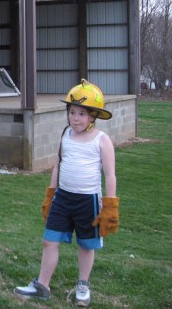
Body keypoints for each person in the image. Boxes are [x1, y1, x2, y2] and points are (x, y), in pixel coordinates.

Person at [14, 79, 119, 308]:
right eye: (72, 112)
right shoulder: (66, 135)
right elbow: (58, 166)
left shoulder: (102, 140)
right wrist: (50, 195)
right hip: (63, 198)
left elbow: (110, 175)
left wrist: (110, 205)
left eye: (82, 114)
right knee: (49, 241)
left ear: (93, 116)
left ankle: (83, 285)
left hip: (88, 201)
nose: (76, 118)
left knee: (86, 245)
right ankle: (42, 285)